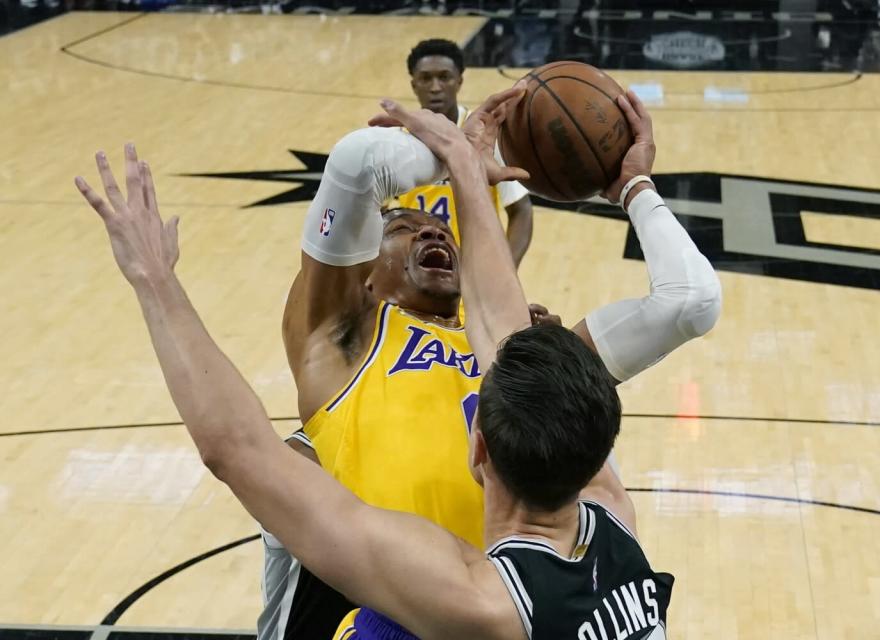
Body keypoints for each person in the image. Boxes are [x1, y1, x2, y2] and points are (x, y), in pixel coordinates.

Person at [75, 88, 690, 639]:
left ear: (478, 450)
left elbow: (237, 447)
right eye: (405, 224)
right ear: (598, 453)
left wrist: (154, 279)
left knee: (374, 630)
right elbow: (500, 326)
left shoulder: (482, 602)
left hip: (413, 587)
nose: (432, 233)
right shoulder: (616, 526)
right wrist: (471, 180)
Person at [272, 82, 720, 638]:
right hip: (412, 616)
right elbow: (357, 161)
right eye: (401, 227)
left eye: (440, 228)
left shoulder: (526, 355)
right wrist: (452, 153)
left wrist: (635, 188)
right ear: (362, 275)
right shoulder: (340, 341)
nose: (432, 228)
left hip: (531, 610)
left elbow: (689, 301)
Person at [393, 38, 534, 265]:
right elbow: (374, 212)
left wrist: (506, 272)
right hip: (414, 272)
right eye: (426, 78)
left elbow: (521, 211)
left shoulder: (485, 137)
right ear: (414, 84)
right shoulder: (398, 139)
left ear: (459, 81)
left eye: (444, 77)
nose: (436, 87)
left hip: (472, 273)